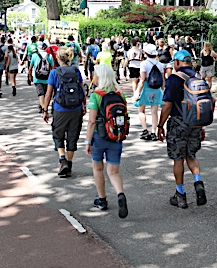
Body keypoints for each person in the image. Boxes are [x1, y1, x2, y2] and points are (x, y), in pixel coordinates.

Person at [156, 50, 212, 209]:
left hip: (178, 123)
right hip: (195, 122)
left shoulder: (174, 79)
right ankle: (198, 182)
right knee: (191, 155)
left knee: (178, 158)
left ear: (177, 62)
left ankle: (180, 195)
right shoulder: (198, 78)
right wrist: (201, 126)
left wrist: (160, 125)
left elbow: (167, 105)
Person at [85, 64, 128, 218]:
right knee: (114, 172)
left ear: (100, 76)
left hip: (99, 137)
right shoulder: (120, 94)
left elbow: (92, 121)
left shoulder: (96, 95)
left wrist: (87, 141)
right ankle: (120, 194)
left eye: (95, 74)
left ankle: (102, 200)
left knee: (98, 168)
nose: (93, 77)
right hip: (116, 136)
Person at [42, 47, 86, 177]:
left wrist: (45, 110)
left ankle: (62, 160)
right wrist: (83, 105)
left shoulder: (54, 72)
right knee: (72, 136)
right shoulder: (76, 71)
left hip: (60, 108)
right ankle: (69, 163)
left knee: (58, 134)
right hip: (76, 108)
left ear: (58, 58)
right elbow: (82, 90)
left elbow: (48, 94)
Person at [135, 44, 165, 141]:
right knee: (154, 112)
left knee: (141, 109)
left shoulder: (144, 64)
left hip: (146, 88)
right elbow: (163, 80)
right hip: (156, 89)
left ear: (145, 53)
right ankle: (153, 132)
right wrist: (163, 90)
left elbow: (142, 80)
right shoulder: (160, 64)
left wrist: (137, 92)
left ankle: (145, 130)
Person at [31, 44, 55, 113]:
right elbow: (52, 68)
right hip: (47, 78)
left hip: (37, 78)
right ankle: (42, 106)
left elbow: (30, 67)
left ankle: (44, 109)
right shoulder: (49, 56)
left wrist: (30, 76)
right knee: (45, 94)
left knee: (41, 94)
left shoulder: (34, 55)